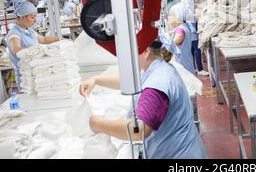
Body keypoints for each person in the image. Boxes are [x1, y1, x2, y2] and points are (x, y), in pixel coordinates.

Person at [79, 39, 207, 159]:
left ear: (146, 51)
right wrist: (96, 80)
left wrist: (97, 124)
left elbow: (139, 130)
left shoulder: (157, 84)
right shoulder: (157, 67)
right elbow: (131, 82)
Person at [7, 0, 61, 88]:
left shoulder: (29, 30)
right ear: (22, 17)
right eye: (32, 17)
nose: (35, 20)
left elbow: (43, 39)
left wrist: (59, 39)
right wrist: (37, 51)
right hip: (26, 78)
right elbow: (16, 49)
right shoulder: (14, 34)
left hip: (36, 73)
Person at [178, 0, 209, 76]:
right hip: (190, 27)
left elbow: (194, 6)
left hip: (191, 26)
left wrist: (202, 7)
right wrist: (200, 15)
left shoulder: (189, 0)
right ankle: (200, 69)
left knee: (192, 48)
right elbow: (189, 15)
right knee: (197, 48)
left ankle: (193, 67)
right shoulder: (185, 2)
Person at [168, 3, 196, 74]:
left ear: (178, 18)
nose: (168, 17)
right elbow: (169, 33)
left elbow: (175, 41)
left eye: (171, 15)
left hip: (184, 68)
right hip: (187, 65)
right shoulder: (183, 27)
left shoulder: (180, 30)